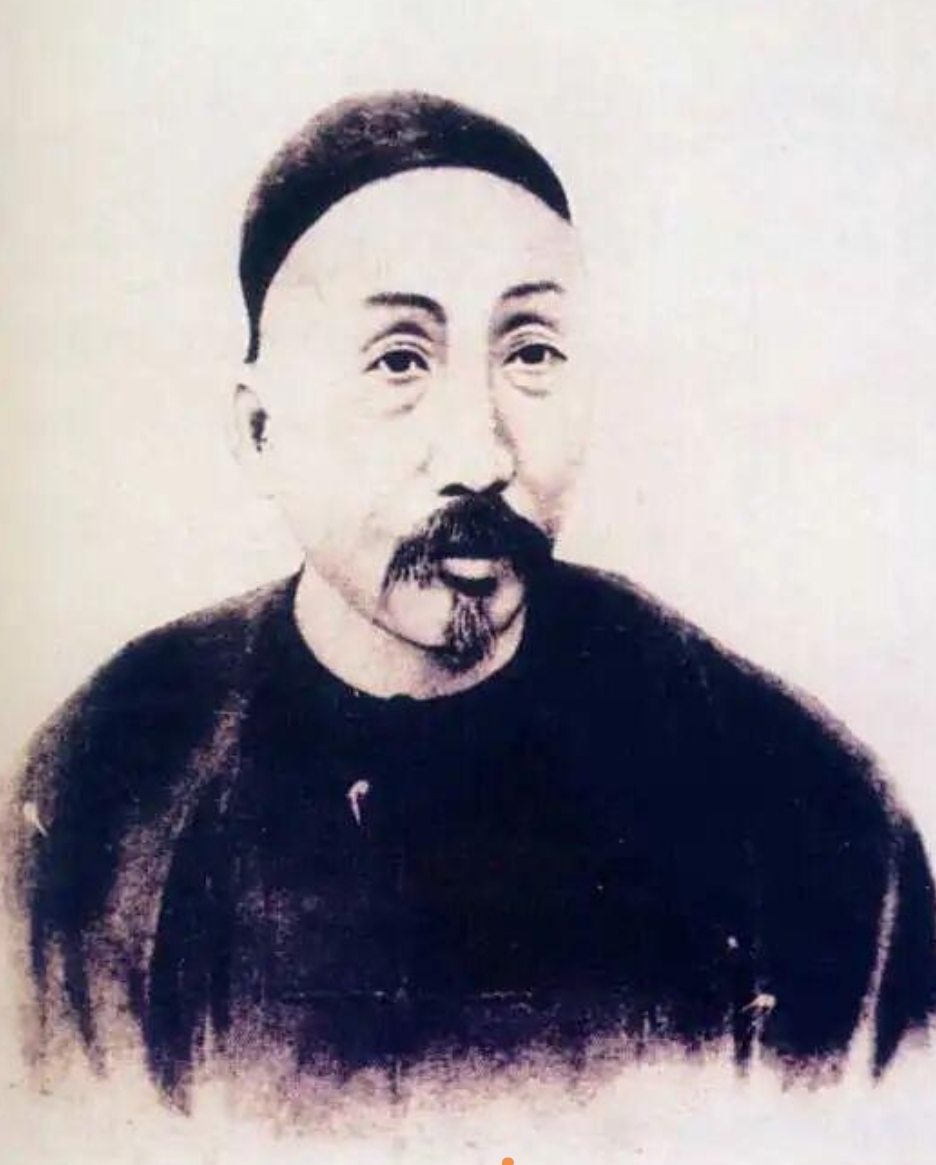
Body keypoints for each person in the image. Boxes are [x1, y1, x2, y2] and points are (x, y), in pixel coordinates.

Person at [7, 91, 935, 1109]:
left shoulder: (805, 816)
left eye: (530, 353)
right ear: (261, 432)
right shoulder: (99, 793)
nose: (482, 455)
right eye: (400, 362)